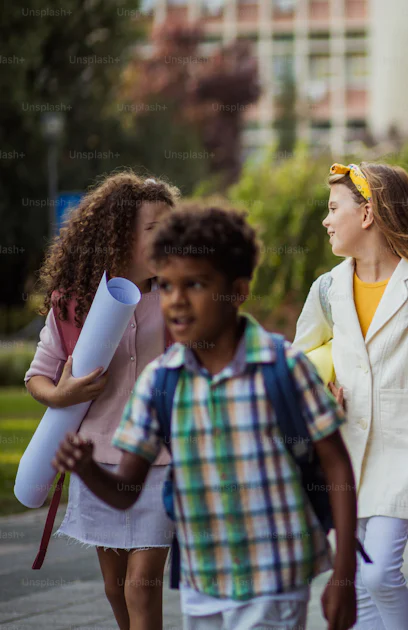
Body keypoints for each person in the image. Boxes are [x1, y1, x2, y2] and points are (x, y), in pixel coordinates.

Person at [52, 205, 359, 630]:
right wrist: (86, 467)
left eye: (195, 284)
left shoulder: (283, 367)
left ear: (236, 290)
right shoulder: (161, 380)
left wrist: (345, 574)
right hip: (201, 584)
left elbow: (336, 464)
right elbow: (126, 490)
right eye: (167, 285)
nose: (176, 300)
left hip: (275, 577)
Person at [293, 162, 408, 629]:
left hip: (407, 455)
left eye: (334, 208)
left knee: (379, 574)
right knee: (356, 578)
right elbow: (294, 365)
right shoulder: (327, 290)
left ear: (368, 213)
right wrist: (318, 400)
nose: (326, 219)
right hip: (345, 456)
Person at [25, 172, 178, 630]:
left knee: (140, 584)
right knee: (115, 588)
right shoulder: (72, 304)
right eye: (155, 229)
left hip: (161, 461)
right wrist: (62, 394)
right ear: (120, 235)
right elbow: (39, 375)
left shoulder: (180, 300)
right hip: (95, 460)